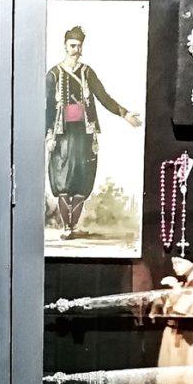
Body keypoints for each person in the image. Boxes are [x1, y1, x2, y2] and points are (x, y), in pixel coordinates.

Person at [46, 26, 142, 239]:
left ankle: (73, 227)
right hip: (62, 136)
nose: (76, 50)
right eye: (72, 45)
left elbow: (103, 96)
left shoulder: (87, 72)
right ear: (65, 46)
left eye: (79, 46)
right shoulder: (53, 74)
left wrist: (124, 113)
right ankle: (67, 228)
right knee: (63, 181)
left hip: (84, 134)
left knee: (83, 180)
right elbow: (46, 108)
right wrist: (49, 135)